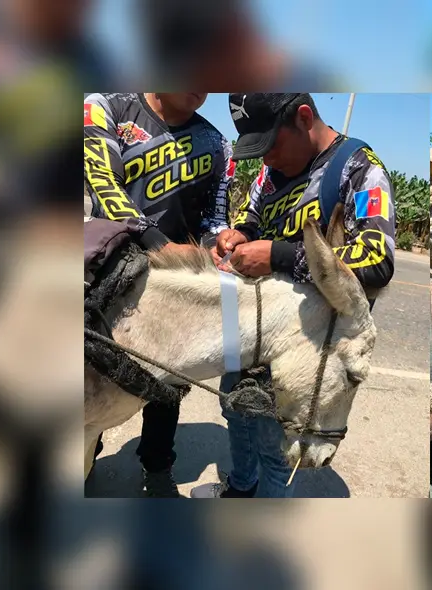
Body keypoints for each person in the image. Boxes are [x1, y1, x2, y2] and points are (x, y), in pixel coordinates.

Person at [191, 93, 395, 498]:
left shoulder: (359, 169)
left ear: (303, 118)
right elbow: (251, 216)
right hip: (253, 328)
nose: (265, 158)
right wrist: (239, 235)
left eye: (271, 145)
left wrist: (279, 256)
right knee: (235, 408)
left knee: (274, 445)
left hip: (306, 343)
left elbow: (377, 260)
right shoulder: (271, 173)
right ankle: (240, 488)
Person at [85, 92, 234, 497]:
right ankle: (86, 457)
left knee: (167, 385)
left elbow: (215, 218)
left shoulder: (217, 144)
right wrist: (160, 244)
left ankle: (157, 467)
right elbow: (103, 185)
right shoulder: (106, 107)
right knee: (90, 376)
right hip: (106, 274)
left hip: (173, 286)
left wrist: (218, 244)